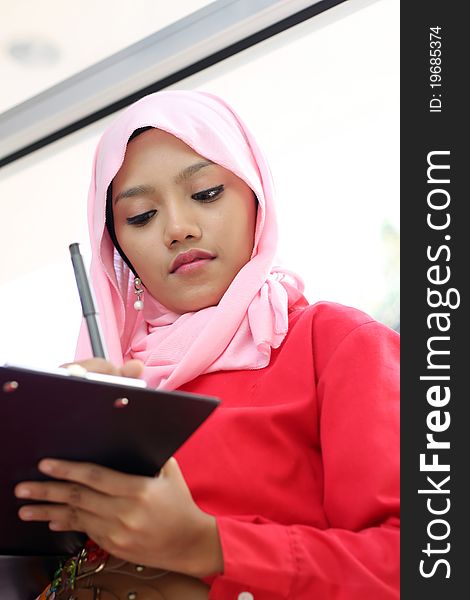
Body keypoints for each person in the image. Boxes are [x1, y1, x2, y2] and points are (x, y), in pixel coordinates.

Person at [15, 90, 399, 599]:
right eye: (141, 216)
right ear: (118, 251)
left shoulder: (331, 343)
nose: (178, 229)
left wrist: (208, 545)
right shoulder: (107, 388)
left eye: (207, 193)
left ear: (255, 195)